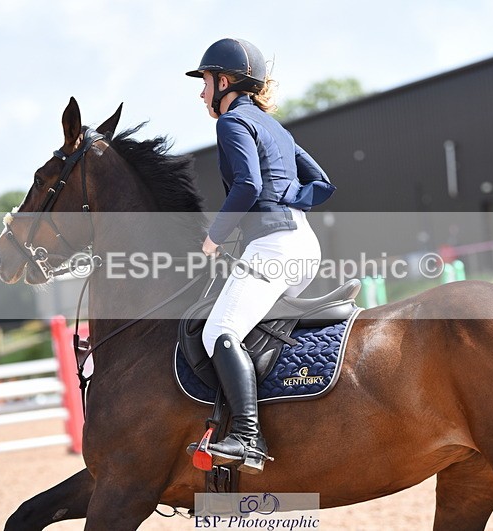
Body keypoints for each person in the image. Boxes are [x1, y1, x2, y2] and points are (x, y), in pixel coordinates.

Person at [185, 38, 335, 474]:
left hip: (276, 247)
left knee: (220, 331)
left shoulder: (232, 123)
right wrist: (286, 200)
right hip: (303, 244)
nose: (202, 93)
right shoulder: (274, 126)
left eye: (205, 82)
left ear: (224, 82)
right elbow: (321, 182)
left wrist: (215, 237)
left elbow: (248, 185)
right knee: (245, 327)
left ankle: (248, 437)